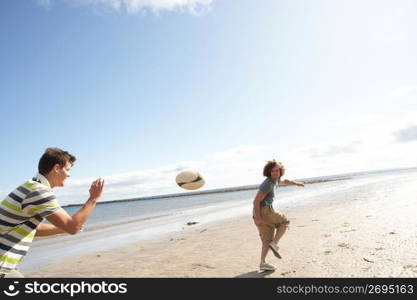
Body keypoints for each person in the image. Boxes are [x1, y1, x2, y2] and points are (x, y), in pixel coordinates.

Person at [0, 147, 104, 278]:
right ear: (56, 168)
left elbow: (33, 229)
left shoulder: (32, 186)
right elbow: (73, 226)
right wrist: (93, 198)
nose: (69, 174)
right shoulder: (38, 191)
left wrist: (62, 229)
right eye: (67, 170)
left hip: (7, 267)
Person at [253, 159, 304, 272]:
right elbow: (256, 201)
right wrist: (258, 218)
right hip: (264, 210)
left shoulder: (276, 180)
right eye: (273, 171)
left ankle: (263, 263)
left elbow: (285, 181)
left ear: (280, 171)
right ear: (269, 172)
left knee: (266, 239)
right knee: (284, 222)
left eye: (277, 171)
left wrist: (296, 183)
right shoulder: (268, 184)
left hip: (263, 211)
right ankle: (274, 244)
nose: (275, 173)